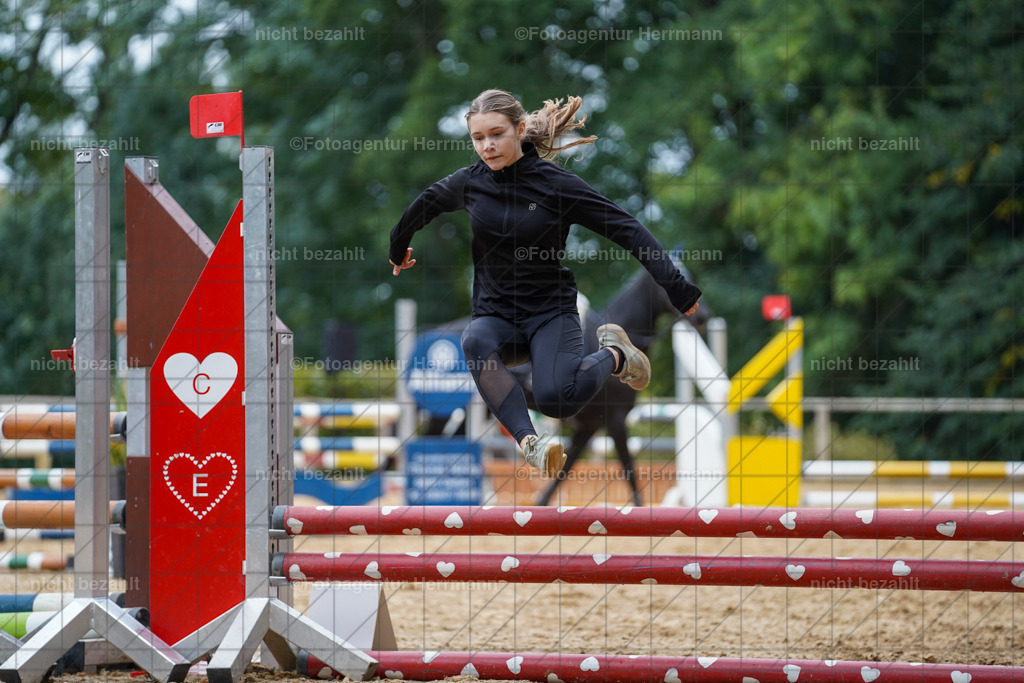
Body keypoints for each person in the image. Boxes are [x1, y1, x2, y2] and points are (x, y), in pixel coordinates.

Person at [389, 89, 701, 477]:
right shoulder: (468, 183)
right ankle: (530, 443)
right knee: (473, 340)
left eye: (496, 134)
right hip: (497, 317)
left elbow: (625, 228)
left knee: (558, 401)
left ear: (520, 130)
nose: (487, 146)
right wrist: (397, 247)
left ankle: (618, 354)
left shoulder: (557, 184)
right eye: (478, 138)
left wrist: (676, 285)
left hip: (550, 314)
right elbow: (423, 205)